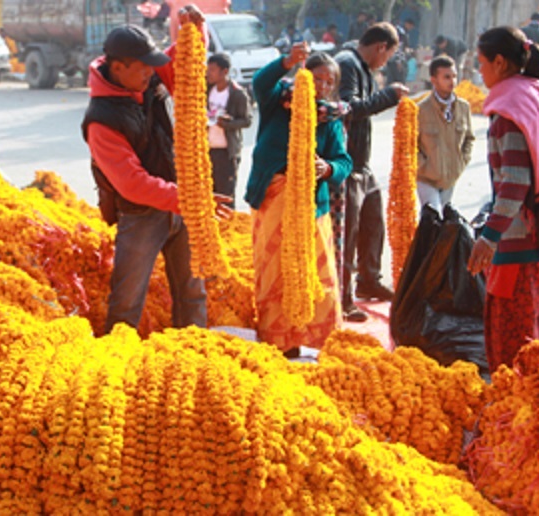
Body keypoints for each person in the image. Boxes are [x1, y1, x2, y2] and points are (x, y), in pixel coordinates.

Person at [81, 7, 232, 334]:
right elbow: (132, 183)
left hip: (181, 204)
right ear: (118, 68)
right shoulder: (101, 120)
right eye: (143, 68)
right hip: (141, 214)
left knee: (193, 292)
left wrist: (195, 29)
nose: (152, 73)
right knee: (127, 300)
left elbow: (185, 67)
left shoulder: (146, 78)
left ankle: (191, 354)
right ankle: (117, 362)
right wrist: (190, 199)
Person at [468, 26, 539, 371]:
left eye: (481, 63)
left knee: (511, 350)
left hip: (519, 244)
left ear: (500, 62)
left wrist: (489, 237)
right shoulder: (538, 92)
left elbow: (514, 183)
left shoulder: (508, 111)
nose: (480, 72)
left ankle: (512, 417)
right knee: (532, 337)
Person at [245, 43, 352, 356]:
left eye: (329, 82)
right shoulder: (277, 100)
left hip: (310, 204)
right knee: (274, 270)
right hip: (272, 195)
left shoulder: (330, 120)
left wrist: (328, 167)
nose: (322, 86)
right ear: (304, 75)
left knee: (317, 272)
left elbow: (344, 161)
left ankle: (317, 339)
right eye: (317, 79)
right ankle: (280, 340)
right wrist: (286, 61)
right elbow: (259, 82)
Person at [335, 23, 409, 322]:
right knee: (347, 232)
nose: (386, 62)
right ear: (381, 47)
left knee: (373, 220)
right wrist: (389, 95)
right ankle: (343, 294)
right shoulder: (347, 64)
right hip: (346, 161)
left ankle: (369, 279)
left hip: (362, 163)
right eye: (389, 55)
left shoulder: (363, 67)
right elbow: (349, 108)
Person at [416, 56, 474, 211]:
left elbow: (469, 138)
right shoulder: (420, 110)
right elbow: (410, 144)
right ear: (434, 80)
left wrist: (461, 161)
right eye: (447, 77)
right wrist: (423, 166)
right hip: (426, 178)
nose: (452, 81)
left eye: (454, 76)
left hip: (450, 179)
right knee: (433, 217)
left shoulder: (463, 107)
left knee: (446, 226)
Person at [206, 52, 252, 209]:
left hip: (226, 153)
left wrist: (228, 123)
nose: (208, 73)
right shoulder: (207, 89)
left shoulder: (237, 94)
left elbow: (247, 121)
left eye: (212, 70)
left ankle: (228, 230)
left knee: (226, 197)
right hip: (207, 150)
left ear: (224, 71)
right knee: (209, 195)